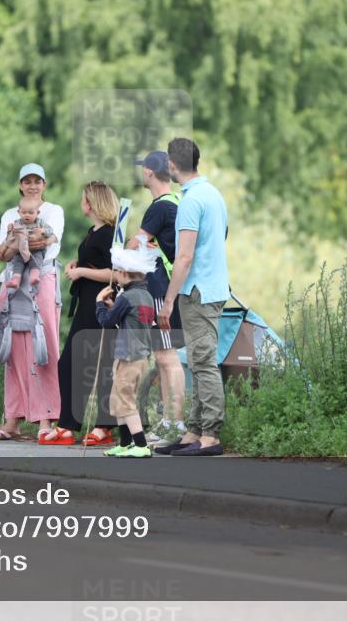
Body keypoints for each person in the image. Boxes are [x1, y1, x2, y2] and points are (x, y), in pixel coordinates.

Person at [155, 138, 230, 457]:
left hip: (197, 290)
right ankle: (194, 432)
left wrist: (169, 299)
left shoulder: (189, 202)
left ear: (172, 166)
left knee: (202, 362)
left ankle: (210, 435)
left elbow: (184, 258)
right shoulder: (213, 195)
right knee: (200, 361)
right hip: (213, 286)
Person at [0, 163, 64, 442]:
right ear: (20, 185)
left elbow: (47, 244)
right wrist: (18, 244)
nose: (32, 185)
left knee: (43, 345)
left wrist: (16, 243)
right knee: (14, 349)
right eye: (27, 181)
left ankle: (47, 416)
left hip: (41, 279)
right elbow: (0, 253)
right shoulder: (11, 212)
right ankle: (13, 419)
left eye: (37, 181)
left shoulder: (54, 211)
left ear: (44, 184)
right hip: (13, 281)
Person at [43, 182, 120, 446]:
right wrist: (79, 264)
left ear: (92, 202)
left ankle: (104, 425)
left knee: (100, 364)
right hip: (86, 302)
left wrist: (82, 272)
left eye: (84, 198)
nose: (81, 202)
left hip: (101, 303)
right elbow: (95, 262)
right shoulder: (92, 231)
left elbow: (117, 273)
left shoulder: (110, 233)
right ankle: (68, 423)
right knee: (72, 363)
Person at [126, 151, 187, 444]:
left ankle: (175, 425)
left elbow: (134, 245)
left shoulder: (159, 207)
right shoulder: (177, 201)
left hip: (161, 290)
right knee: (164, 357)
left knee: (167, 357)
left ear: (150, 172)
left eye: (143, 169)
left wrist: (127, 244)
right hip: (172, 287)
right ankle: (168, 422)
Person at [95, 245, 158, 458]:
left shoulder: (127, 297)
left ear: (123, 273)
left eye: (117, 273)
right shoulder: (146, 296)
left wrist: (100, 304)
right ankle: (125, 443)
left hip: (128, 356)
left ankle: (140, 445)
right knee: (118, 399)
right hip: (141, 356)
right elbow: (130, 319)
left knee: (125, 400)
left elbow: (107, 322)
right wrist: (115, 306)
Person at [2, 196, 56, 290]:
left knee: (36, 259)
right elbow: (10, 239)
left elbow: (50, 230)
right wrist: (9, 231)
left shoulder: (40, 222)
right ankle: (16, 279)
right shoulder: (16, 223)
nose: (27, 215)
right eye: (24, 212)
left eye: (31, 213)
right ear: (19, 212)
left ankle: (34, 276)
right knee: (17, 262)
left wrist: (43, 231)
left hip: (36, 250)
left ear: (37, 212)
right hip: (20, 251)